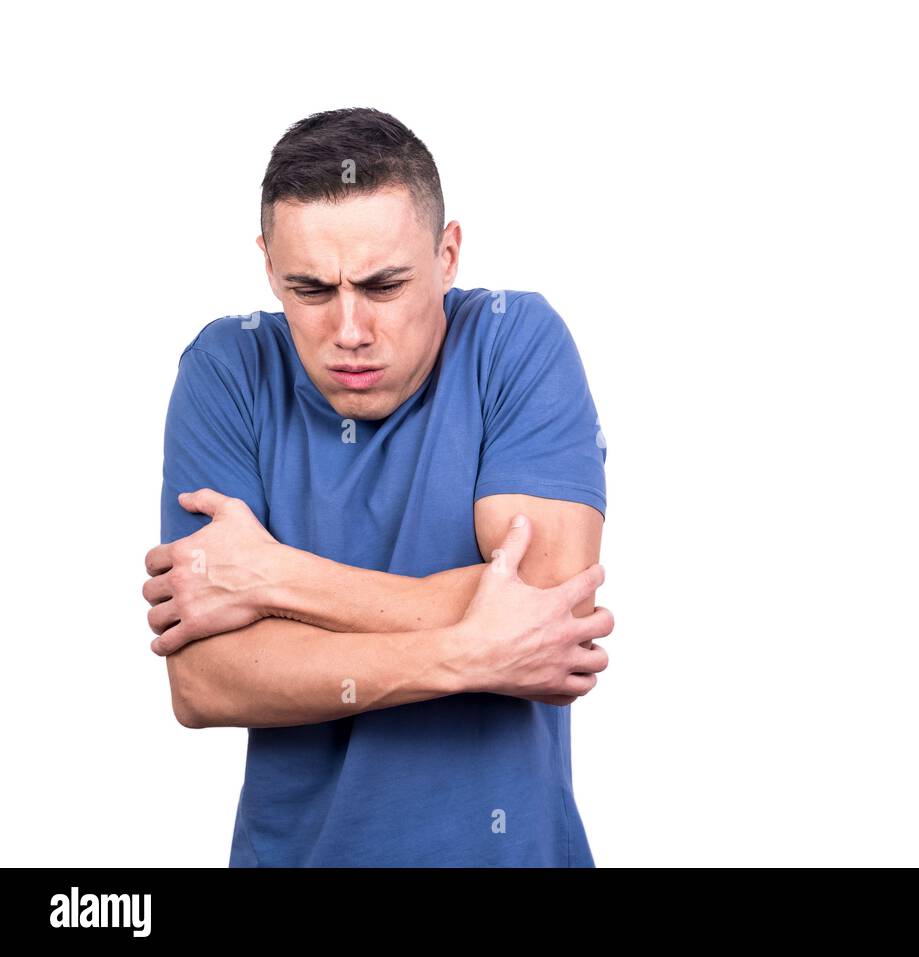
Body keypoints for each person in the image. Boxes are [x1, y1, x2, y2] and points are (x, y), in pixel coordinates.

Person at [140, 107, 613, 867]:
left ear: (448, 253)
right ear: (268, 267)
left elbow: (555, 606)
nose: (350, 329)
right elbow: (205, 682)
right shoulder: (227, 370)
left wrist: (273, 577)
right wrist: (468, 654)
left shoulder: (514, 340)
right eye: (312, 289)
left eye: (384, 285)